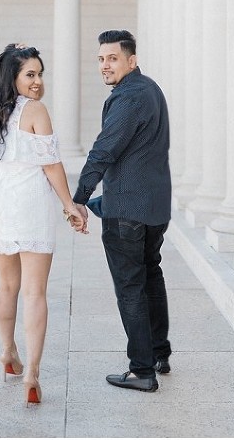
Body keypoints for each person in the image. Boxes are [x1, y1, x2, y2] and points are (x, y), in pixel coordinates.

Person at [0, 43, 88, 407]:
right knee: (34, 292)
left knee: (6, 285)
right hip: (30, 203)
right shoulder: (35, 110)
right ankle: (33, 373)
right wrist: (70, 205)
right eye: (30, 74)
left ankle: (8, 354)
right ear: (14, 77)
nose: (37, 82)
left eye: (40, 74)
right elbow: (51, 164)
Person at [72, 30, 172, 393]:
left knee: (131, 286)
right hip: (153, 207)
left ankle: (141, 370)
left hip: (129, 212)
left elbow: (105, 149)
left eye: (112, 58)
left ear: (131, 60)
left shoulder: (129, 97)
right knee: (150, 276)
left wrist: (80, 197)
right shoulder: (150, 89)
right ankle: (159, 353)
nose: (104, 65)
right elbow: (138, 155)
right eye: (101, 59)